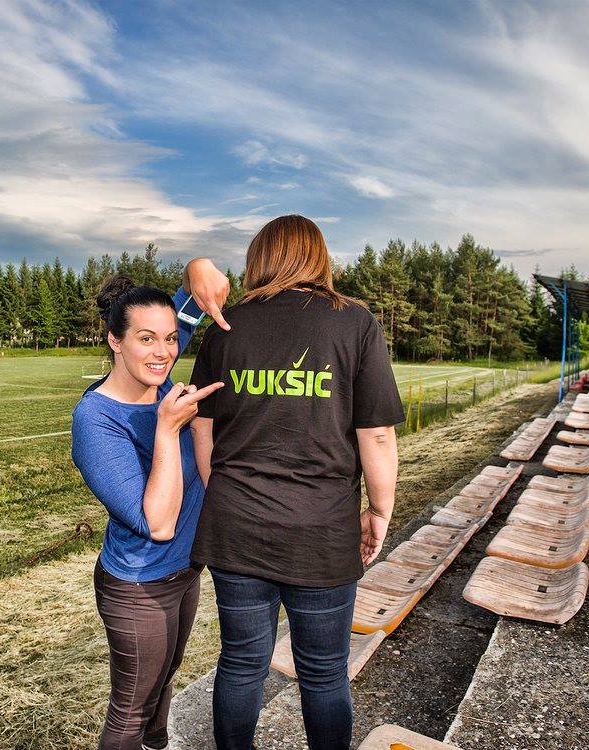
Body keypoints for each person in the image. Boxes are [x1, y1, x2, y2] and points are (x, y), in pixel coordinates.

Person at [189, 215, 404, 750]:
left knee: (241, 663)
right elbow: (377, 434)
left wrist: (225, 492)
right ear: (318, 257)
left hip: (237, 526)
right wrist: (380, 511)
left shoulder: (228, 326)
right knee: (324, 672)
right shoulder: (354, 323)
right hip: (321, 528)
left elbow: (201, 425)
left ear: (259, 259)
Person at [71, 258, 231, 750]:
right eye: (146, 339)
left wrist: (198, 266)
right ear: (115, 341)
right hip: (138, 585)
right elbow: (157, 523)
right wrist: (167, 428)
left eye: (170, 338)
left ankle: (157, 744)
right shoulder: (96, 420)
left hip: (183, 573)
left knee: (163, 681)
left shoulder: (157, 380)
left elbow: (195, 290)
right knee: (130, 711)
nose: (163, 352)